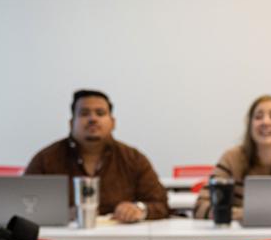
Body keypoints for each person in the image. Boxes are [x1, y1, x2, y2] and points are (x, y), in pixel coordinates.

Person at [26, 89, 169, 223]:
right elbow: (22, 205)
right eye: (84, 113)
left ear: (113, 122)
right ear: (71, 123)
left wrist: (139, 209)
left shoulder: (133, 159)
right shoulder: (46, 159)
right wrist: (60, 214)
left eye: (100, 113)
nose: (93, 119)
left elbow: (161, 204)